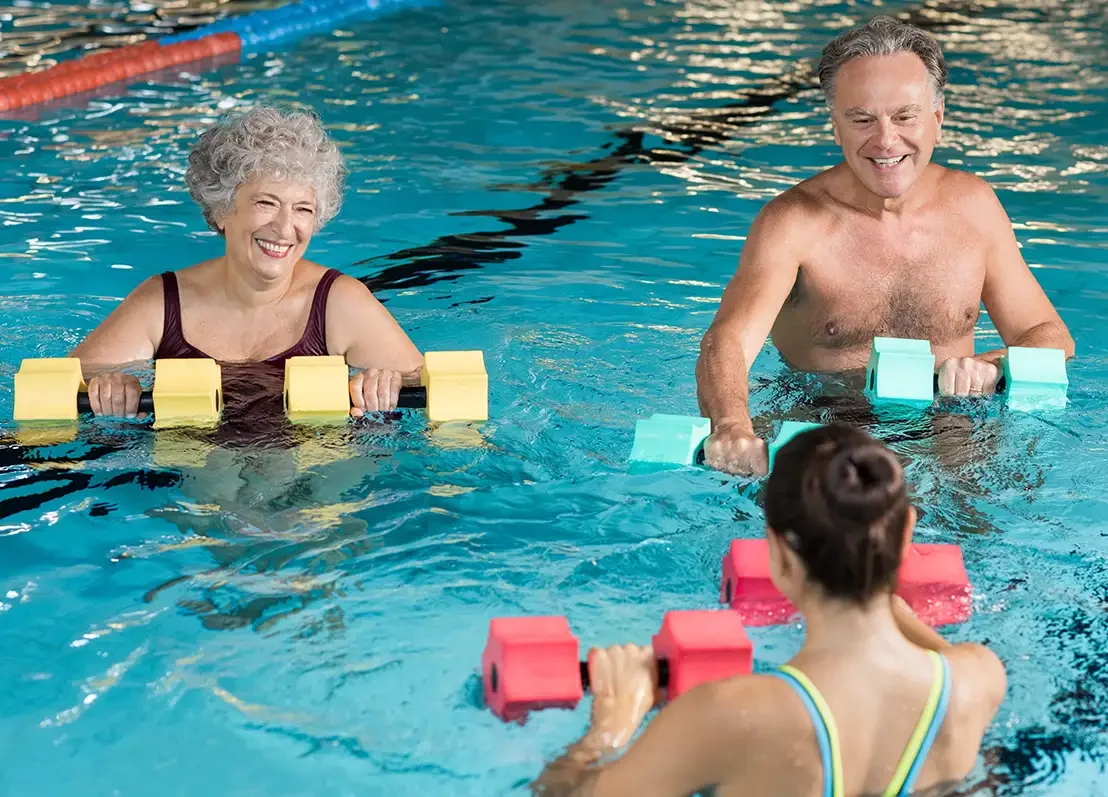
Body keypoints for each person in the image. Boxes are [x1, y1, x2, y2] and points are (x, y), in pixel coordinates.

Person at [531, 424, 1006, 796]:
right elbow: (933, 655)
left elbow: (556, 793)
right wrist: (882, 590)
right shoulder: (978, 681)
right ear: (907, 534)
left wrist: (612, 725)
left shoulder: (729, 714)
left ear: (778, 554)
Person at [696, 16, 1074, 476]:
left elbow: (1050, 335)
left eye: (904, 116)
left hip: (951, 427)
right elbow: (729, 339)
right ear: (835, 126)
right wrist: (732, 425)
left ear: (937, 117)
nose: (885, 140)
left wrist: (988, 364)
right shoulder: (792, 223)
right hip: (823, 423)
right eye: (862, 120)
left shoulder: (974, 208)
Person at [70, 105, 422, 419]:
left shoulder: (340, 303)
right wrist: (112, 386)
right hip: (189, 474)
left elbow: (429, 388)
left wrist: (383, 382)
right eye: (266, 203)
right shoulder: (162, 303)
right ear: (223, 210)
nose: (285, 228)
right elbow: (67, 380)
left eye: (303, 209)